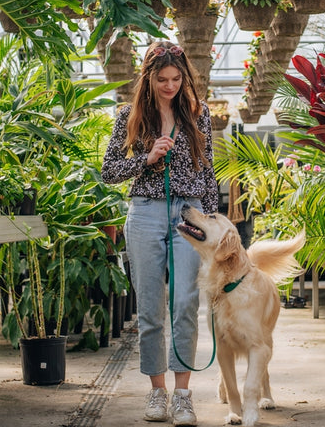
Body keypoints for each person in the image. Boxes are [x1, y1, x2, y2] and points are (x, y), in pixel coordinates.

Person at [101, 40, 219, 426]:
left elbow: (208, 173)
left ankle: (183, 396)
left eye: (176, 78)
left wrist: (215, 224)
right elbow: (109, 172)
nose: (170, 86)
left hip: (189, 212)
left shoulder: (198, 116)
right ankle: (157, 393)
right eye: (162, 79)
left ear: (185, 78)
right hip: (146, 212)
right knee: (150, 308)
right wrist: (146, 158)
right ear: (148, 78)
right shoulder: (128, 117)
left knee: (185, 303)